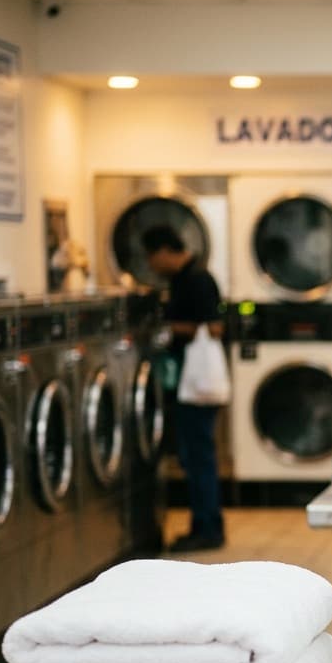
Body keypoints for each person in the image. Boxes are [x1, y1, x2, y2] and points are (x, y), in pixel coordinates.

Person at [142, 224, 226, 553]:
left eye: (152, 256)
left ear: (165, 250)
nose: (151, 264)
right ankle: (203, 525)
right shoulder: (183, 279)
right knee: (195, 457)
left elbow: (213, 326)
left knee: (199, 457)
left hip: (198, 386)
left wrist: (166, 328)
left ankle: (208, 528)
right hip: (189, 384)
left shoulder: (198, 278)